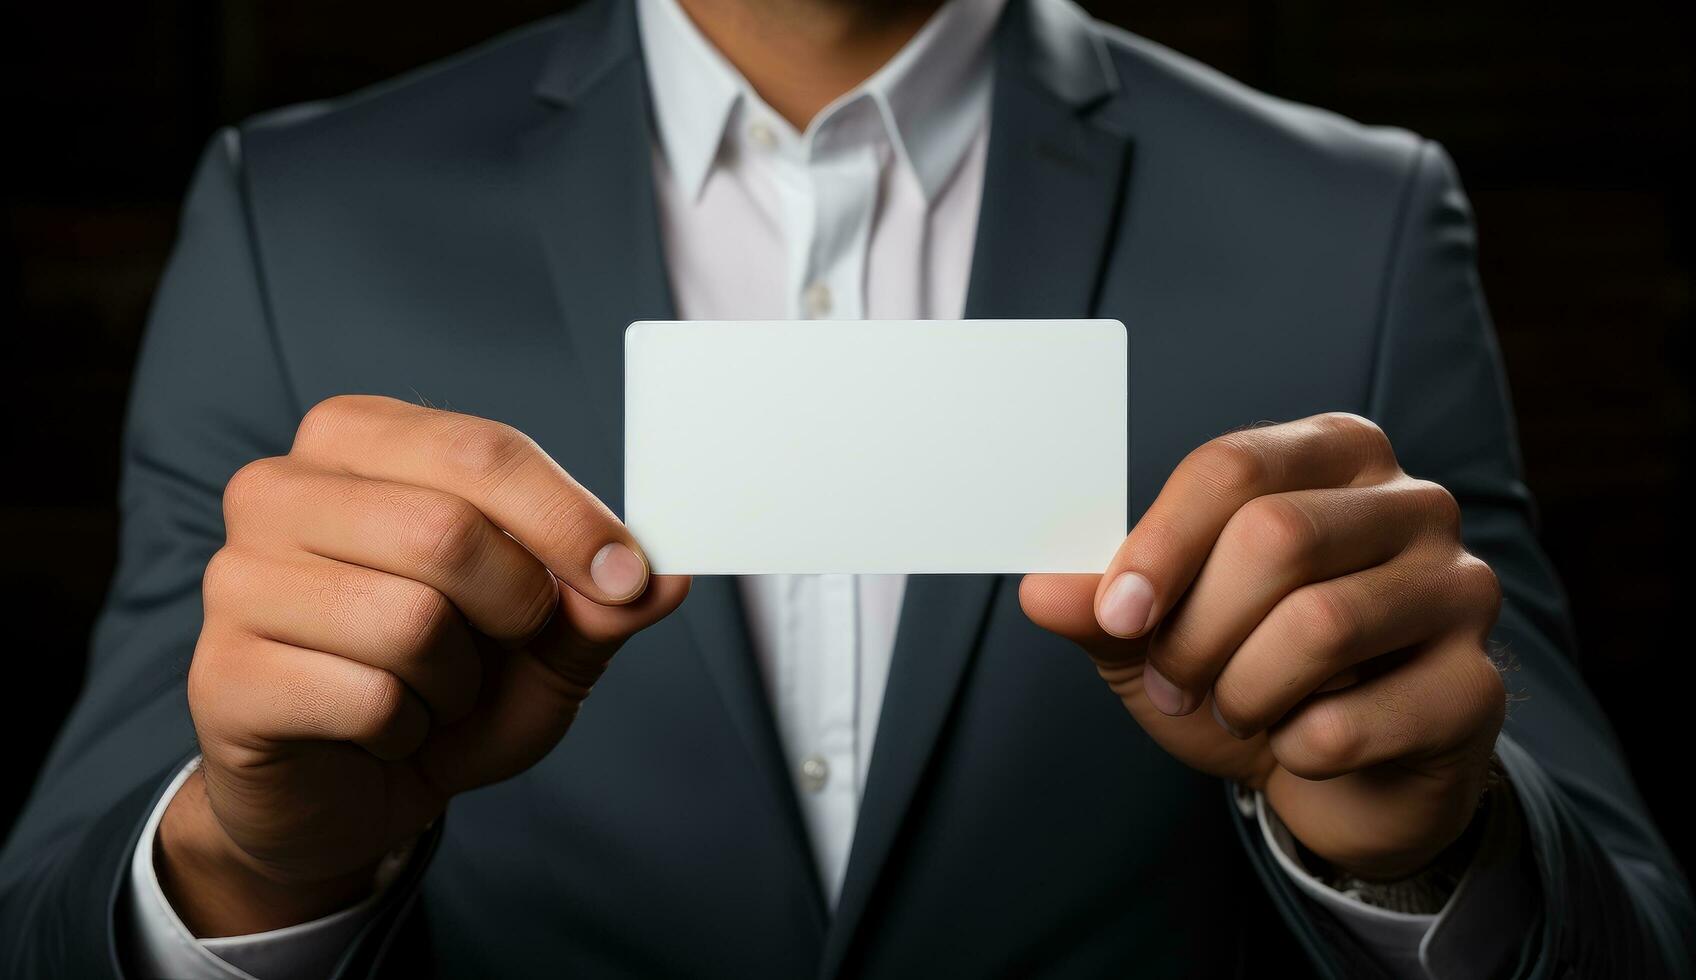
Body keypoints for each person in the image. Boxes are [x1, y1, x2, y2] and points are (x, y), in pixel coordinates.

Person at [2, 0, 1691, 975]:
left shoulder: (1358, 222)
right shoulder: (295, 213)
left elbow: (1626, 935)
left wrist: (1428, 856)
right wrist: (248, 870)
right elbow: (56, 921)